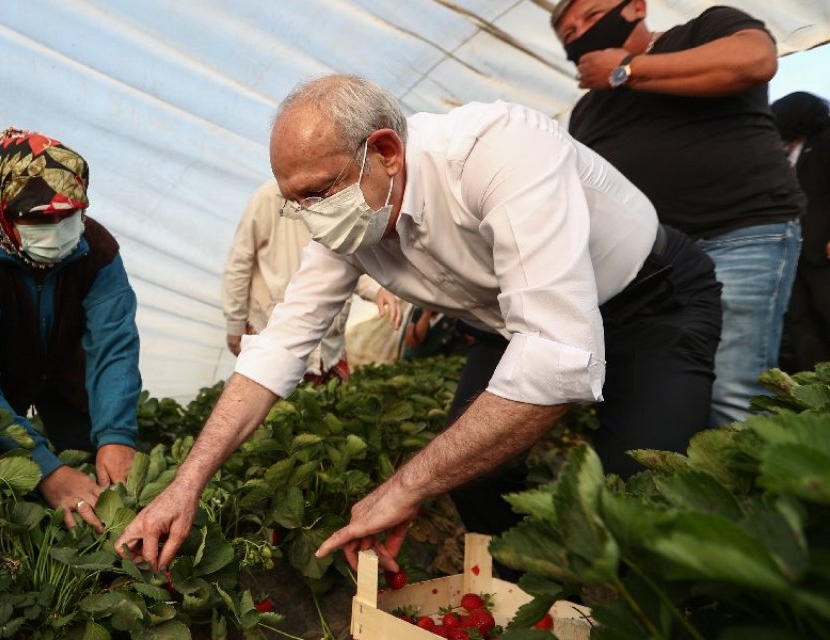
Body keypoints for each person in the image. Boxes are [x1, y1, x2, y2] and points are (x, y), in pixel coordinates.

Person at [116, 74, 722, 572]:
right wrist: (185, 484)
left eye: (320, 192)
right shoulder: (347, 224)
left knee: (644, 499)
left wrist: (403, 487)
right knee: (473, 477)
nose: (312, 217)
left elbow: (558, 357)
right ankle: (518, 594)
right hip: (510, 325)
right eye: (295, 202)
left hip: (648, 302)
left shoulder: (496, 150)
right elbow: (277, 350)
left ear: (385, 151)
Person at [550, 0, 804, 426]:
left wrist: (626, 70)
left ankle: (738, 489)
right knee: (664, 386)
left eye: (592, 16)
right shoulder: (588, 108)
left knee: (731, 391)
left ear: (635, 8)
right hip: (655, 264)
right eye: (569, 35)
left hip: (738, 233)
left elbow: (755, 59)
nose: (581, 35)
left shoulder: (704, 30)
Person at [0, 127, 141, 531]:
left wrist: (117, 435)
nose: (59, 229)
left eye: (69, 215)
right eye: (38, 219)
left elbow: (114, 344)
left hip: (69, 376)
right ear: (3, 209)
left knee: (100, 474)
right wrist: (46, 470)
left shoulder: (96, 249)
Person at [222, 180, 402, 382]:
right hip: (275, 332)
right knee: (276, 403)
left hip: (328, 345)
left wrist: (377, 289)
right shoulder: (268, 198)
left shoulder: (340, 193)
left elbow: (345, 257)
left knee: (324, 407)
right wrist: (235, 323)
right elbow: (239, 263)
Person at [773, 92, 830, 373]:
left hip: (822, 250)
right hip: (792, 253)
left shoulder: (824, 143)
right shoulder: (783, 154)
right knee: (800, 321)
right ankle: (816, 390)